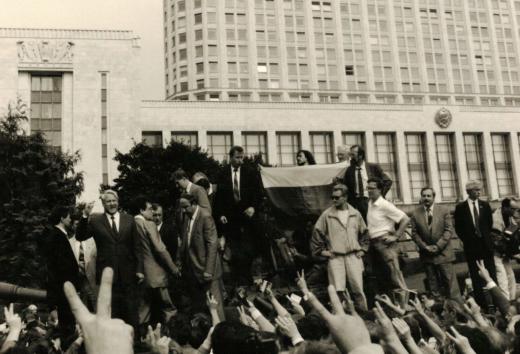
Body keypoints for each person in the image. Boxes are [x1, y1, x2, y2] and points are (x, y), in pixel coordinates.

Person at [76, 190, 144, 334]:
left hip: (128, 274)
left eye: (114, 201)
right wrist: (85, 215)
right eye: (108, 201)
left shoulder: (129, 219)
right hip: (107, 276)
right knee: (112, 312)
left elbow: (137, 246)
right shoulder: (95, 220)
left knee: (131, 311)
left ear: (118, 202)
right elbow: (80, 236)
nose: (112, 204)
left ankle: (135, 344)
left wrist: (139, 269)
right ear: (103, 203)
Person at [310, 184, 369, 310]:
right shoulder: (327, 215)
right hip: (335, 258)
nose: (334, 200)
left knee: (358, 290)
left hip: (354, 256)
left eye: (337, 197)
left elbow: (365, 233)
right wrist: (322, 252)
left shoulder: (355, 214)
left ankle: (364, 316)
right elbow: (316, 233)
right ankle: (340, 317)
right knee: (338, 291)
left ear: (345, 197)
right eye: (332, 197)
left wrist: (363, 249)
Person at [214, 145, 261, 286]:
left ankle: (247, 279)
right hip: (230, 218)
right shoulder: (222, 173)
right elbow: (219, 197)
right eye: (238, 157)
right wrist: (220, 214)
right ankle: (238, 281)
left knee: (248, 248)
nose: (241, 160)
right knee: (234, 249)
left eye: (242, 157)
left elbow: (258, 193)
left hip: (247, 217)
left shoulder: (250, 172)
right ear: (231, 157)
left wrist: (253, 207)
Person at [133, 197, 180, 326]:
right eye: (149, 209)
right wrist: (173, 268)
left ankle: (143, 339)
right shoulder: (149, 224)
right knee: (168, 308)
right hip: (156, 274)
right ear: (141, 210)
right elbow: (160, 248)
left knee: (143, 310)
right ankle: (172, 336)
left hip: (140, 274)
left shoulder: (130, 223)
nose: (152, 213)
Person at [178, 193, 225, 320]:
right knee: (202, 305)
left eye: (185, 207)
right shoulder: (188, 217)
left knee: (215, 304)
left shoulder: (205, 216)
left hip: (207, 270)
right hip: (194, 269)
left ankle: (223, 332)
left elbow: (212, 244)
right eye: (181, 207)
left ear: (194, 204)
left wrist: (208, 270)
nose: (183, 210)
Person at [410, 187, 460, 299]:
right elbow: (414, 234)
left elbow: (448, 230)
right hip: (427, 255)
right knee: (433, 287)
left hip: (443, 254)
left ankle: (458, 309)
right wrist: (424, 247)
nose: (426, 198)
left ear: (433, 197)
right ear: (421, 197)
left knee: (451, 286)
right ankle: (439, 311)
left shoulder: (443, 210)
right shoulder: (416, 213)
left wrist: (438, 246)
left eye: (429, 196)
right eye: (424, 196)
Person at [454, 180, 496, 309]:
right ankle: (482, 305)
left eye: (480, 189)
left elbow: (489, 224)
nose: (479, 192)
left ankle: (496, 302)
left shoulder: (485, 205)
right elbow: (459, 228)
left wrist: (485, 238)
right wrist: (468, 240)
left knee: (491, 274)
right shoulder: (460, 208)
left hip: (486, 246)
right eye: (476, 190)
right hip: (471, 247)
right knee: (475, 276)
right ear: (468, 191)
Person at [44, 206, 81, 339]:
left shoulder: (59, 235)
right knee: (67, 326)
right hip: (63, 288)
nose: (71, 219)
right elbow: (59, 267)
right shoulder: (57, 236)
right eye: (69, 217)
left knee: (68, 323)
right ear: (62, 218)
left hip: (65, 287)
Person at [366, 177, 409, 290]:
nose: (369, 190)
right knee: (384, 277)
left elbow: (405, 219)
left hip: (385, 244)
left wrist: (395, 236)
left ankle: (407, 303)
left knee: (395, 276)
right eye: (368, 188)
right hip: (374, 244)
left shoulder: (385, 204)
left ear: (380, 190)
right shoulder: (370, 203)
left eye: (372, 188)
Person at [343, 144, 392, 221]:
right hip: (357, 204)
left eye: (353, 154)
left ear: (360, 156)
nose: (351, 157)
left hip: (371, 200)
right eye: (350, 154)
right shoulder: (349, 171)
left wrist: (380, 195)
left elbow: (388, 181)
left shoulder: (373, 167)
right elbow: (346, 187)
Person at [491, 197, 520, 300]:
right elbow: (497, 242)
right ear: (505, 207)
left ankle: (512, 301)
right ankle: (506, 305)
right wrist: (514, 253)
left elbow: (512, 237)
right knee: (502, 278)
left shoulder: (510, 218)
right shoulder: (495, 219)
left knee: (511, 276)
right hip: (496, 254)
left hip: (505, 253)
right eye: (513, 209)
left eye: (516, 209)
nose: (515, 212)